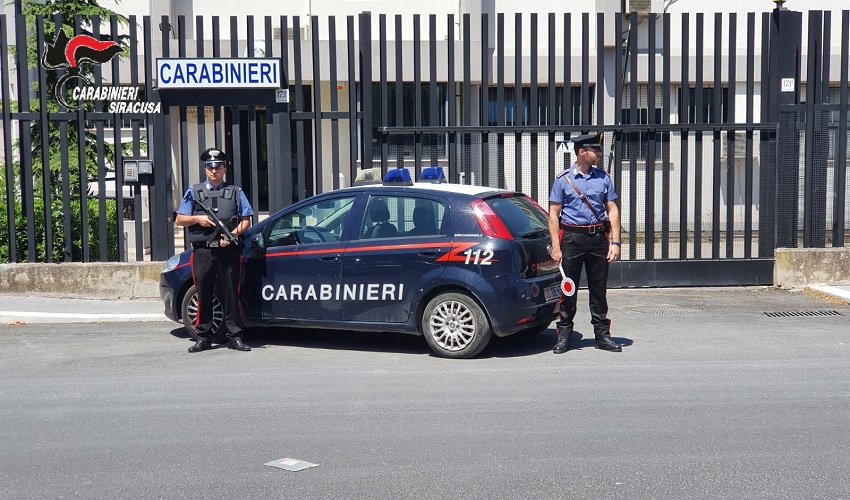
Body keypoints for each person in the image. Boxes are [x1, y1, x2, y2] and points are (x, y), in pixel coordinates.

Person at [547, 132, 622, 354]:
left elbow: (613, 210)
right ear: (582, 152)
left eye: (599, 150)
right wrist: (556, 246)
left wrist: (615, 242)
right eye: (595, 150)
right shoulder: (563, 179)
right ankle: (564, 337)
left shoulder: (603, 178)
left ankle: (602, 336)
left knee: (599, 290)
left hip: (598, 238)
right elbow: (553, 214)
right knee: (568, 290)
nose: (598, 153)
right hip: (571, 239)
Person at [175, 148, 254, 353]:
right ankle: (203, 336)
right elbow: (180, 219)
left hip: (228, 251)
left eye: (218, 167)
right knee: (204, 293)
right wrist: (198, 219)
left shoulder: (236, 192)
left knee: (231, 293)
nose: (214, 171)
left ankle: (234, 336)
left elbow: (246, 220)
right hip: (203, 252)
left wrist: (233, 235)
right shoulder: (194, 192)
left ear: (224, 169)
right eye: (210, 167)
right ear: (205, 169)